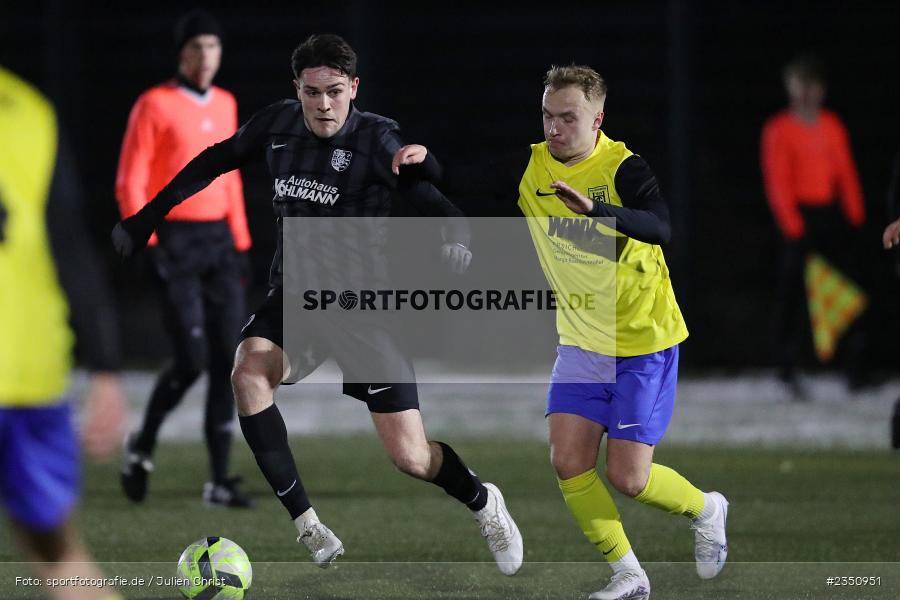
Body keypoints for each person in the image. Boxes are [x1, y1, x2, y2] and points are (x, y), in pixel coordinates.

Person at [111, 33, 523, 575]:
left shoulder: (376, 139)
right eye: (311, 92)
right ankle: (307, 523)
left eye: (334, 91)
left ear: (354, 87)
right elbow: (213, 161)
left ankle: (481, 500)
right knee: (248, 372)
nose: (323, 105)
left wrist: (455, 235)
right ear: (297, 89)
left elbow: (432, 192)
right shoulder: (277, 125)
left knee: (412, 458)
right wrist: (148, 216)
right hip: (296, 299)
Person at [407, 64, 728, 600]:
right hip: (581, 341)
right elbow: (462, 177)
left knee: (629, 478)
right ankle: (628, 574)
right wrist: (423, 159)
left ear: (597, 119)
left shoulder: (624, 167)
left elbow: (661, 225)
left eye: (568, 118)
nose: (554, 129)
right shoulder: (531, 167)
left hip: (643, 342)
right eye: (547, 117)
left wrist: (598, 211)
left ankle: (708, 508)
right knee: (568, 460)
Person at [115, 9, 253, 508]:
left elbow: (231, 176)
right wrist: (147, 243)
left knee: (227, 361)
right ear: (182, 53)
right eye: (197, 47)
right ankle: (143, 443)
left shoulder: (227, 103)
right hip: (174, 239)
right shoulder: (154, 103)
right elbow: (130, 178)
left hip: (220, 243)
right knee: (192, 359)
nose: (206, 57)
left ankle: (218, 480)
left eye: (213, 47)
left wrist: (240, 242)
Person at [0, 65, 126, 600]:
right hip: (28, 372)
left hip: (27, 373)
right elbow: (71, 249)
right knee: (58, 554)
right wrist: (106, 370)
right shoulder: (27, 111)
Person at [761, 55, 868, 397]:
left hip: (830, 215)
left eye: (812, 86)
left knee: (846, 291)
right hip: (798, 218)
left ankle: (853, 368)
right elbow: (777, 181)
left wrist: (855, 217)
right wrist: (793, 226)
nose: (807, 93)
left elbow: (845, 173)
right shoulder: (778, 128)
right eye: (800, 85)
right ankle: (787, 369)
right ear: (790, 88)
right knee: (791, 296)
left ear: (821, 90)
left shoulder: (832, 125)